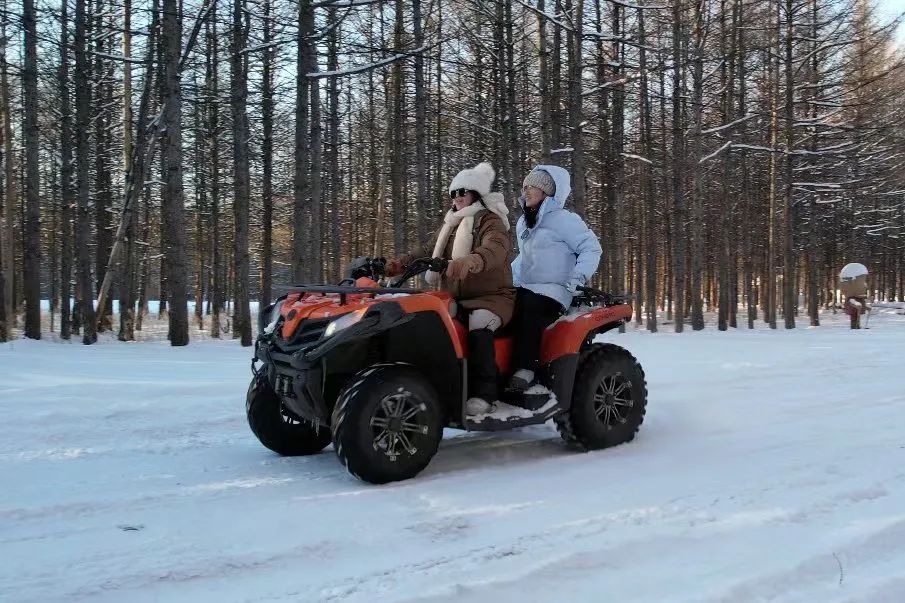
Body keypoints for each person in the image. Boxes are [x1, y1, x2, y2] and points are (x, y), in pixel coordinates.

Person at [386, 162, 515, 415]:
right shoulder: (451, 224)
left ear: (475, 194)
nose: (457, 198)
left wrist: (469, 262)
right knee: (426, 321)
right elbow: (425, 252)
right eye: (453, 193)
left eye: (462, 192)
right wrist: (397, 265)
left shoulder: (491, 222)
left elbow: (494, 250)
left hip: (491, 298)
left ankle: (485, 395)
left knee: (479, 325)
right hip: (454, 296)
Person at [508, 165, 602, 392]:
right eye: (525, 186)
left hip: (555, 291)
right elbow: (525, 259)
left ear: (548, 192)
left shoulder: (565, 220)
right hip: (528, 287)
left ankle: (525, 370)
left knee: (528, 306)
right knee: (502, 305)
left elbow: (592, 248)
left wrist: (578, 278)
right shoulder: (524, 222)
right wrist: (506, 279)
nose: (526, 190)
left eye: (533, 186)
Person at [839, 263, 870, 329]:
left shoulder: (858, 294)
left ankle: (856, 327)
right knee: (854, 316)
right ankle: (855, 328)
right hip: (853, 299)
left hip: (857, 298)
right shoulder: (851, 297)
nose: (865, 285)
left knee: (856, 316)